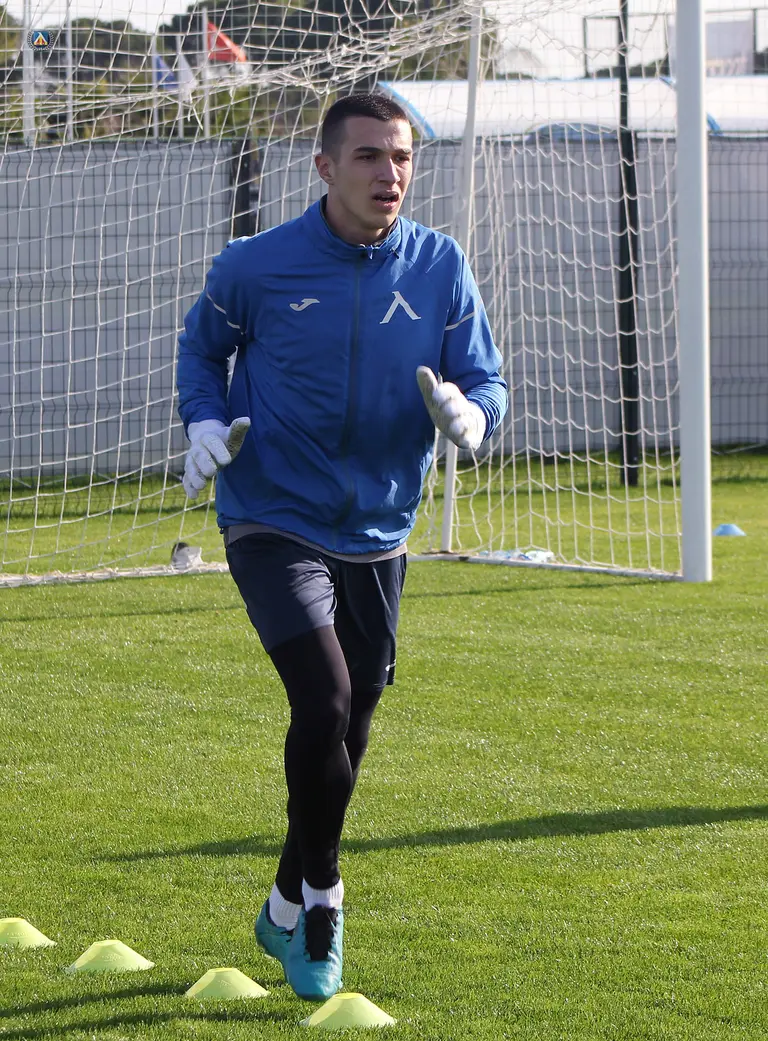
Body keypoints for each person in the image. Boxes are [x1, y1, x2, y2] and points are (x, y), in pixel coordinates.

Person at [176, 92, 508, 1001]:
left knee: (351, 724)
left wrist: (474, 415)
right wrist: (203, 420)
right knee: (322, 699)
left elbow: (485, 377)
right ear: (324, 167)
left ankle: (283, 896)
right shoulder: (255, 264)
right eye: (368, 157)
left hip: (380, 529)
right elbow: (201, 351)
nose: (388, 174)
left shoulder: (441, 264)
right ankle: (323, 901)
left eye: (401, 157)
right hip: (271, 513)